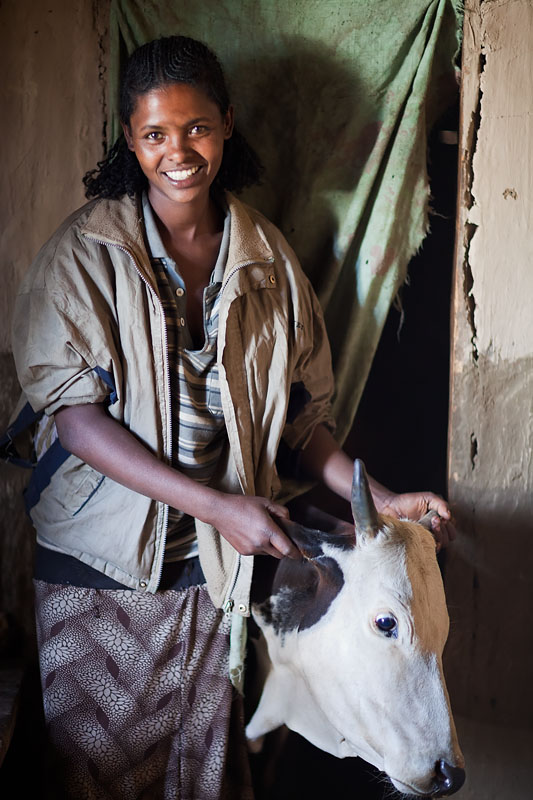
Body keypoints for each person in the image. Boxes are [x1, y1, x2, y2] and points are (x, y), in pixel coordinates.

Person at [8, 35, 454, 800]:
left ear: (226, 126)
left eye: (196, 129)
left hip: (215, 574)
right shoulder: (82, 257)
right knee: (94, 773)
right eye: (154, 134)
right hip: (99, 568)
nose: (177, 152)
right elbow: (76, 423)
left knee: (200, 773)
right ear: (130, 138)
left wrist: (372, 497)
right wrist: (218, 507)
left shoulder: (268, 263)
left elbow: (302, 425)